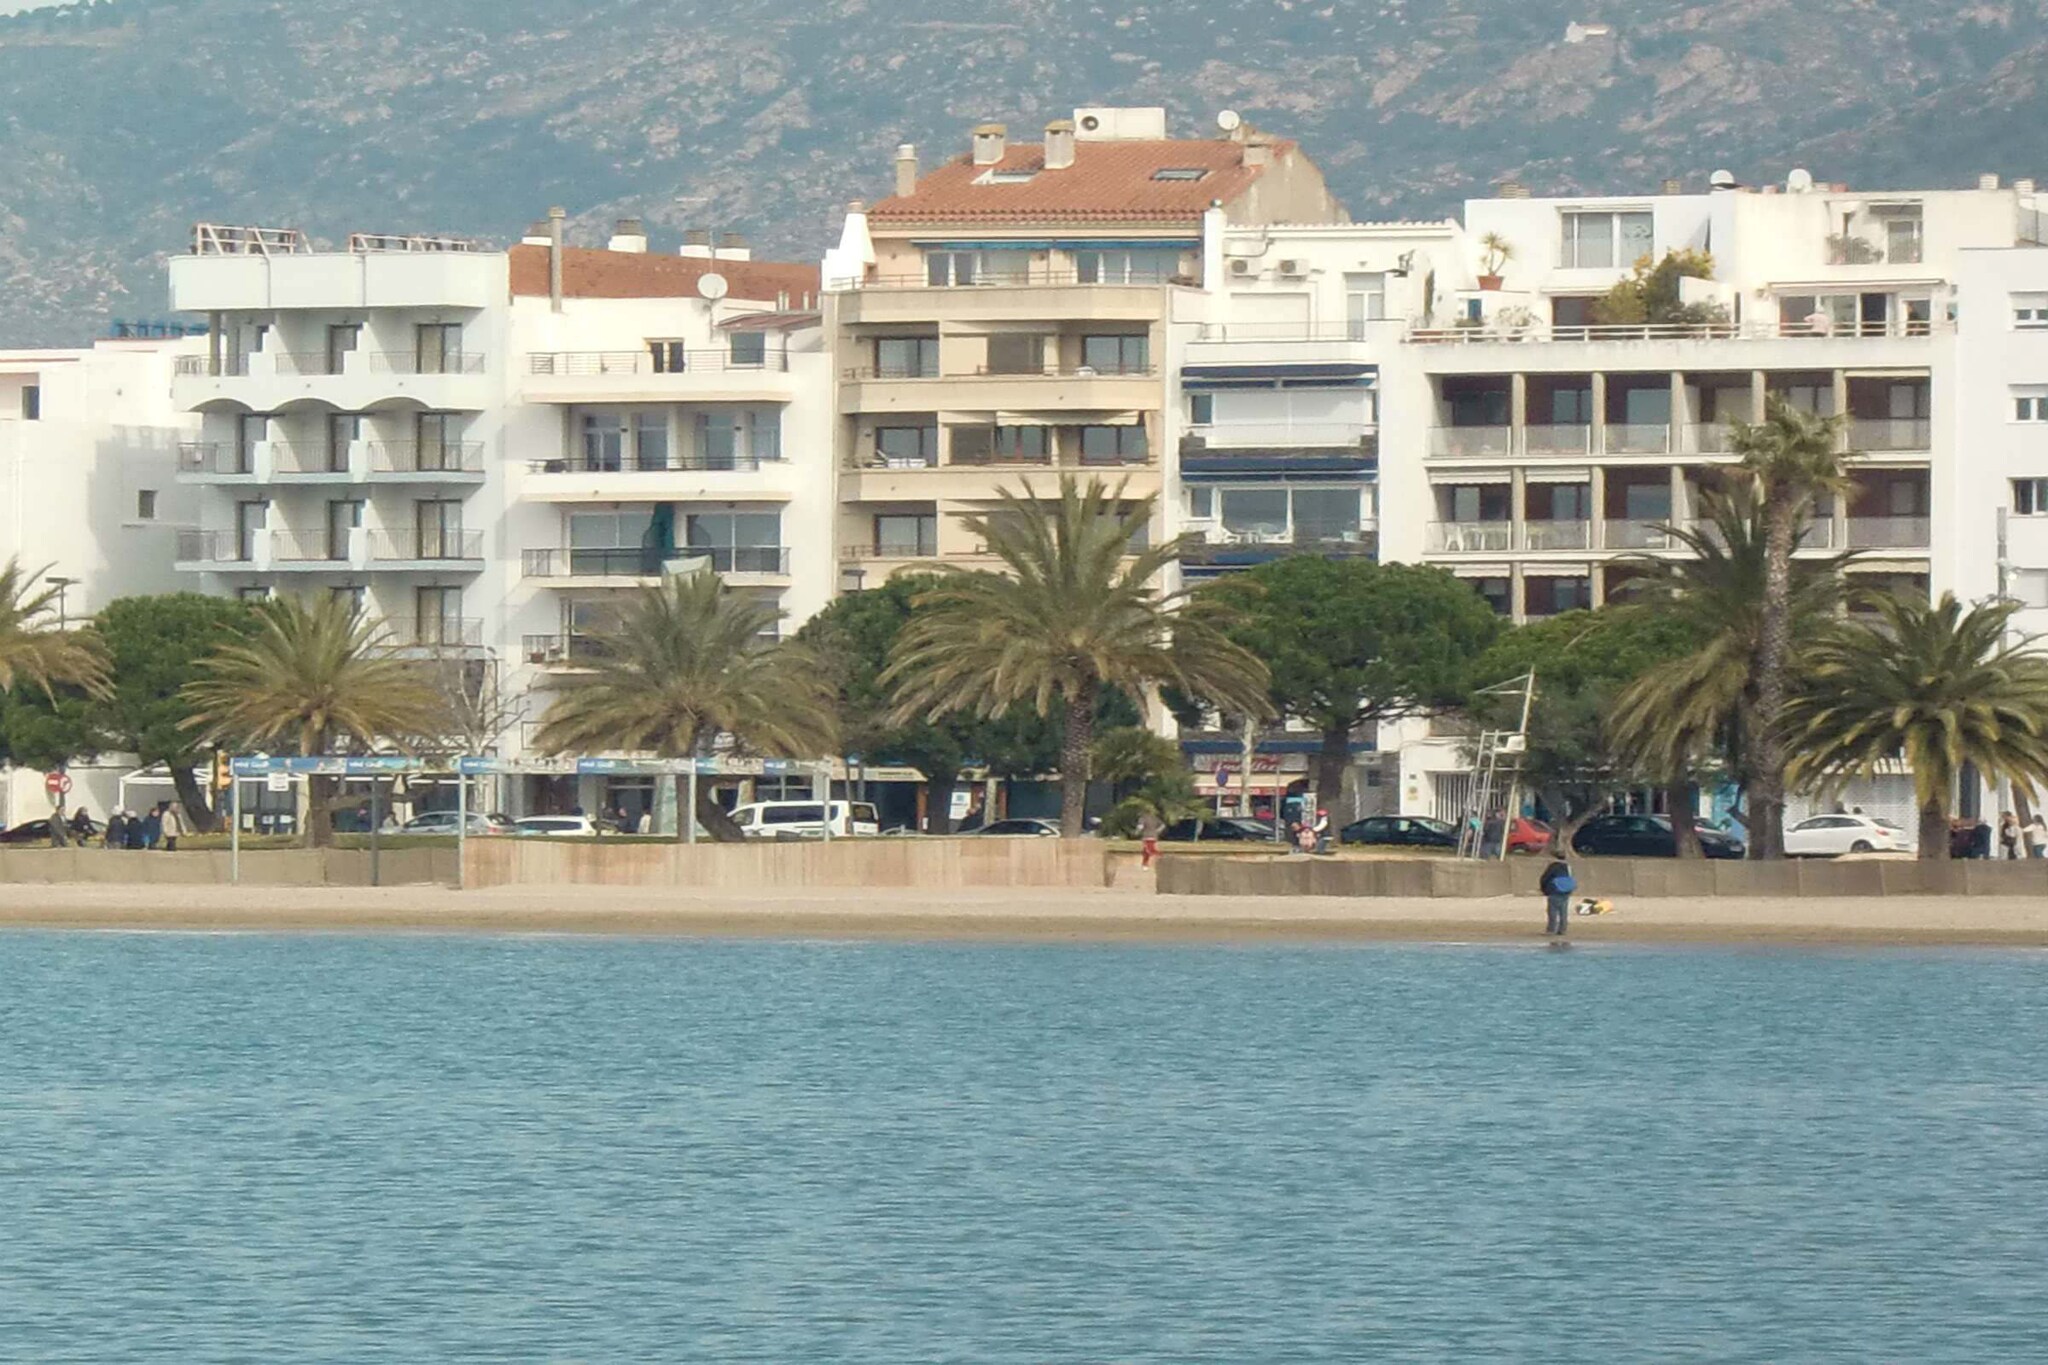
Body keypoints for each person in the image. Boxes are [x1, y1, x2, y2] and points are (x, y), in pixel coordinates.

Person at [1539, 849, 1576, 938]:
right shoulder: (1567, 867)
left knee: (1552, 911)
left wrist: (1543, 889)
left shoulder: (1553, 866)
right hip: (1566, 891)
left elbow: (1545, 878)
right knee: (1563, 911)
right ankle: (1562, 930)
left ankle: (1551, 930)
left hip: (1554, 890)